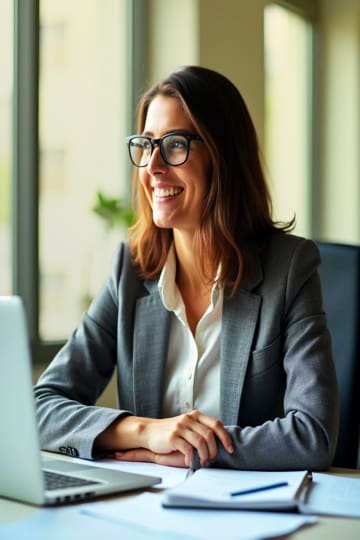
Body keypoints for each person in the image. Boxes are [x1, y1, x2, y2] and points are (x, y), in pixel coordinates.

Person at [34, 65, 339, 471]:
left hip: (248, 517)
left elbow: (313, 434)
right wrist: (146, 434)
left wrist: (186, 450)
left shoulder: (289, 269)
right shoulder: (131, 271)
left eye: (175, 144)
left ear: (222, 155)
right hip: (147, 514)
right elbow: (40, 408)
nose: (153, 167)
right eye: (145, 145)